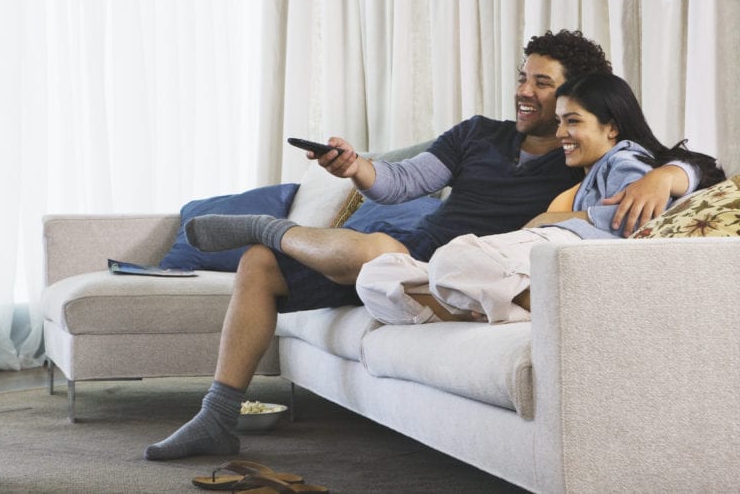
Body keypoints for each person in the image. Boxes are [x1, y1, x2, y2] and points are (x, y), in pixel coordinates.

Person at [143, 30, 700, 461]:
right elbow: (403, 183)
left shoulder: (580, 146)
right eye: (523, 77)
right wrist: (355, 167)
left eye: (543, 84)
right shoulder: (478, 133)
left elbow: (685, 163)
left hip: (462, 264)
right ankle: (217, 416)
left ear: (575, 100)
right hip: (413, 244)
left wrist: (669, 173)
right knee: (261, 263)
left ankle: (272, 227)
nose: (525, 92)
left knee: (372, 249)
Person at [355, 73, 725, 325]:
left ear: (611, 126)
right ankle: (491, 307)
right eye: (561, 120)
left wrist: (547, 221)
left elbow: (628, 226)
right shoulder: (579, 171)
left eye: (574, 122)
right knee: (377, 275)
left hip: (566, 251)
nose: (561, 132)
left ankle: (507, 305)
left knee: (454, 261)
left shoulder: (624, 158)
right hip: (534, 254)